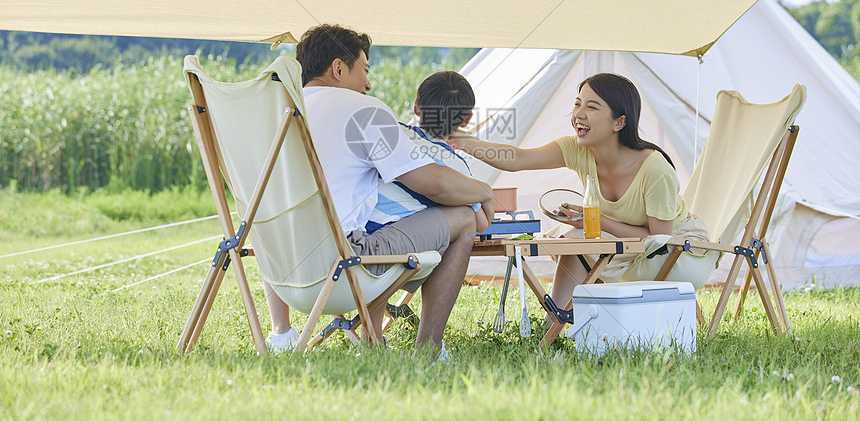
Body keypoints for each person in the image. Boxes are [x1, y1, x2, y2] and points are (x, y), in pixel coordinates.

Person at [264, 24, 494, 357]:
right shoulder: (362, 110)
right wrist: (484, 191)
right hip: (341, 269)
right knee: (462, 219)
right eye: (365, 70)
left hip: (280, 267)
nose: (368, 84)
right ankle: (429, 350)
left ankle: (282, 334)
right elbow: (432, 182)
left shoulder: (276, 112)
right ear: (339, 68)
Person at [448, 72, 712, 319]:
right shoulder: (577, 149)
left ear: (619, 122)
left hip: (677, 251)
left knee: (581, 237)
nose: (578, 115)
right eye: (577, 104)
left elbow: (659, 241)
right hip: (629, 244)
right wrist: (463, 140)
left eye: (592, 107)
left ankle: (568, 317)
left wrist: (594, 220)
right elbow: (518, 159)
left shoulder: (654, 169)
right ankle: (558, 321)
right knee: (576, 240)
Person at [366, 70, 480, 234]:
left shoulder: (395, 132)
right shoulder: (457, 166)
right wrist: (486, 194)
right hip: (388, 234)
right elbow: (481, 223)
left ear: (417, 107)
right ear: (466, 119)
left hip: (358, 225)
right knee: (464, 217)